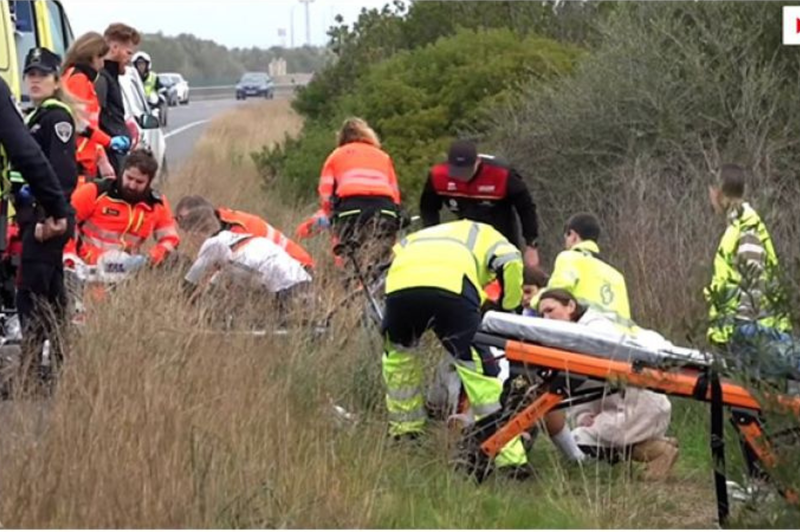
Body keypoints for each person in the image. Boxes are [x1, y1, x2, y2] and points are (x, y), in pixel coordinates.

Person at [381, 219, 530, 476]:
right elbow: (511, 261)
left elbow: (393, 256)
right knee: (480, 373)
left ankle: (406, 434)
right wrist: (509, 309)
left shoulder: (424, 234)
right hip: (452, 288)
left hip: (399, 288)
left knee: (398, 359)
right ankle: (510, 459)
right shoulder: (487, 232)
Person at [537, 288, 678, 480]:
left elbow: (588, 380)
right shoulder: (587, 330)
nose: (545, 318)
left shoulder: (594, 332)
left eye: (550, 310)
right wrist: (584, 415)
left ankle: (660, 451)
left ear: (570, 306)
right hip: (632, 405)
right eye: (542, 314)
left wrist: (582, 415)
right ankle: (657, 444)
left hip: (635, 405)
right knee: (593, 437)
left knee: (582, 445)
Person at [11, 47, 81, 377]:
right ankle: (59, 368)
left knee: (32, 296)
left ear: (57, 81)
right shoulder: (36, 116)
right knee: (52, 298)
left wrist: (43, 220)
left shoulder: (55, 119)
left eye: (43, 75)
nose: (35, 80)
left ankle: (28, 373)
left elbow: (61, 176)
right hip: (40, 220)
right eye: (31, 75)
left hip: (45, 223)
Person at [705, 164, 792, 368]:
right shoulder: (738, 227)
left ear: (719, 192)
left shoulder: (747, 229)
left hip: (756, 337)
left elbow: (754, 283)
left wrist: (741, 330)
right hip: (748, 335)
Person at [180, 206, 312, 326]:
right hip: (301, 277)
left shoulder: (212, 244)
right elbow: (220, 279)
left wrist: (184, 306)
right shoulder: (237, 240)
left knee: (285, 327)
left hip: (280, 283)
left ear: (195, 233)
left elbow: (190, 281)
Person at [297, 117, 402, 267]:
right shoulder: (383, 156)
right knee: (382, 261)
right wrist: (396, 215)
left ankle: (352, 284)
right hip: (385, 210)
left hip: (351, 211)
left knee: (351, 259)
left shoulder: (336, 155)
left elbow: (325, 193)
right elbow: (395, 194)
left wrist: (330, 214)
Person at [420, 140, 540, 268]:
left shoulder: (502, 174)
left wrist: (531, 245)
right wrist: (433, 237)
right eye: (457, 171)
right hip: (465, 235)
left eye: (466, 171)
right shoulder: (438, 175)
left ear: (477, 162)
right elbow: (428, 207)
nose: (461, 176)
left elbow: (526, 208)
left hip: (501, 233)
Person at [66, 149, 179, 267]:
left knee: (180, 261)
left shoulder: (156, 203)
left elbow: (170, 239)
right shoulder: (95, 192)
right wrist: (72, 259)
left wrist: (150, 259)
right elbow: (65, 224)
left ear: (149, 182)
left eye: (139, 182)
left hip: (129, 271)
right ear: (121, 172)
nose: (132, 185)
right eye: (129, 178)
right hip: (89, 266)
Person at [534, 213, 633, 331]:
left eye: (566, 237)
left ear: (573, 236)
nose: (566, 243)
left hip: (584, 334)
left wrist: (534, 300)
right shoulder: (617, 275)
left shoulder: (569, 258)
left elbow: (554, 295)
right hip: (616, 341)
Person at [174, 195, 313, 268]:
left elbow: (237, 271)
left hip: (299, 269)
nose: (187, 233)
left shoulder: (239, 230)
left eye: (188, 224)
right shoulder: (222, 223)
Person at [62, 32, 123, 183]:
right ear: (92, 57)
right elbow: (81, 125)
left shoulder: (80, 79)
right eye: (101, 58)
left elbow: (91, 126)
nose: (102, 64)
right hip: (78, 163)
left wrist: (102, 158)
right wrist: (108, 142)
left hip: (85, 161)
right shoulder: (78, 81)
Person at [96, 23, 140, 175]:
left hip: (116, 157)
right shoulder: (102, 79)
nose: (130, 60)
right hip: (110, 160)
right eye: (128, 53)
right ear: (114, 48)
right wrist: (103, 160)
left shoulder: (111, 77)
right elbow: (93, 123)